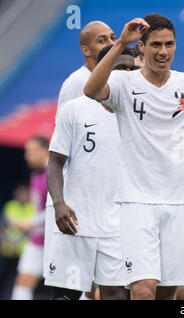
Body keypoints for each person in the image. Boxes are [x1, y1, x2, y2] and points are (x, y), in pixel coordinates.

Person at [83, 14, 184, 300]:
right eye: (156, 44)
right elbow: (92, 90)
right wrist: (121, 41)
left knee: (165, 293)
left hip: (179, 202)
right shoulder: (124, 83)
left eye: (170, 44)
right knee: (143, 289)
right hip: (137, 201)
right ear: (143, 47)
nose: (163, 51)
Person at [43, 46, 140, 300]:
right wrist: (59, 203)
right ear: (102, 69)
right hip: (76, 222)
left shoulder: (140, 111)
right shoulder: (75, 108)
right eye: (120, 68)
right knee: (66, 296)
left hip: (119, 225)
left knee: (116, 295)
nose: (126, 75)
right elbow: (54, 162)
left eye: (131, 69)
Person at [43, 20, 117, 301]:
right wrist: (61, 201)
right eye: (101, 40)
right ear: (85, 49)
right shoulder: (77, 83)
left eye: (112, 37)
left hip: (104, 203)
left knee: (104, 286)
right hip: (74, 203)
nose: (109, 44)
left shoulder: (115, 81)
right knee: (71, 289)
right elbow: (61, 146)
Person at [11, 136, 49, 300]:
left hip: (57, 242)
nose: (27, 156)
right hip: (37, 240)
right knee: (22, 282)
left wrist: (30, 222)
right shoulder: (36, 173)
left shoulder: (56, 173)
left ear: (45, 150)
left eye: (32, 151)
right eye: (27, 152)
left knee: (84, 288)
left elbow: (59, 208)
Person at [0, 184, 35, 300]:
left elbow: (30, 231)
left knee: (15, 280)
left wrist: (16, 244)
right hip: (6, 250)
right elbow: (2, 226)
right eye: (20, 193)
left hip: (21, 252)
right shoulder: (10, 206)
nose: (23, 196)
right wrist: (3, 242)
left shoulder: (32, 208)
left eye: (25, 193)